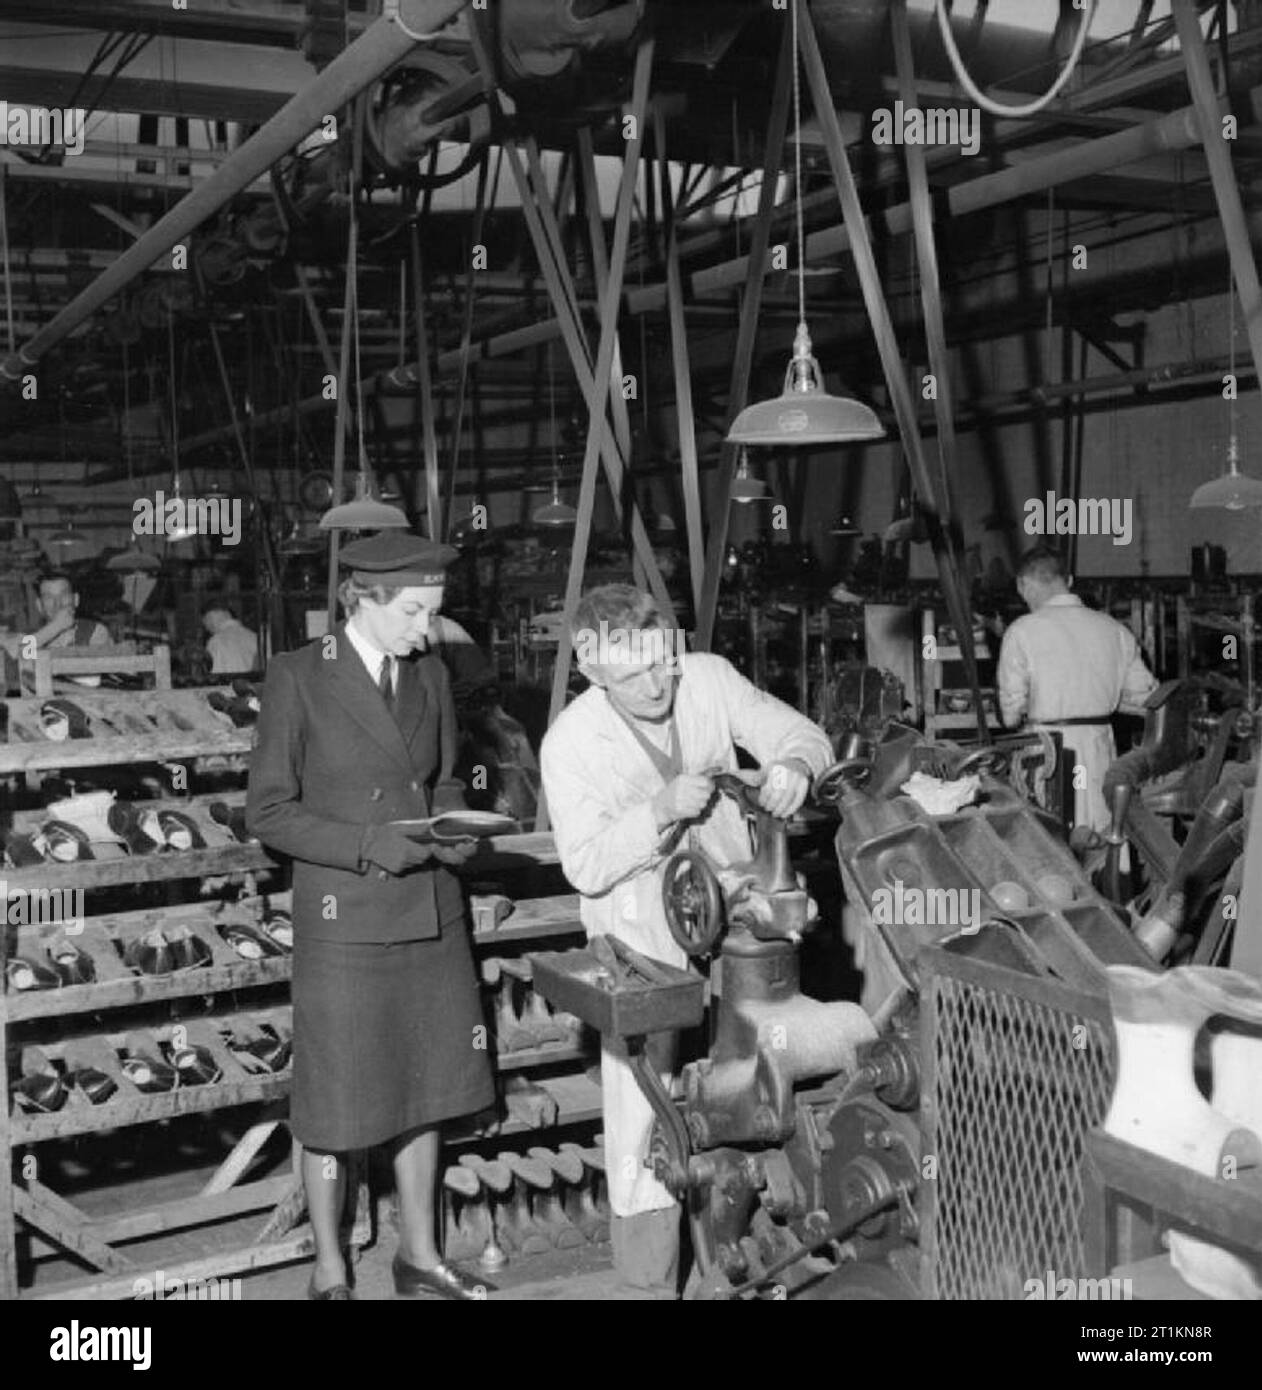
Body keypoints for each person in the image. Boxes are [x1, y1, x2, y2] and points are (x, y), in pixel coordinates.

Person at [538, 583, 834, 1297]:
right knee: (649, 1117)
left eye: (662, 662)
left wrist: (794, 766)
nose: (658, 682)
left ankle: (745, 1261)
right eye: (634, 672)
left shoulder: (706, 678)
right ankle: (651, 1281)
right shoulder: (570, 742)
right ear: (591, 666)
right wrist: (657, 813)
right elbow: (585, 863)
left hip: (736, 930)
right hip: (641, 945)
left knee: (755, 1085)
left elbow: (806, 736)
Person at [245, 531, 495, 1301]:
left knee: (429, 1092)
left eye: (435, 611)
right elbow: (270, 812)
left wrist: (455, 831)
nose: (429, 628)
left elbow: (445, 780)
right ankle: (330, 1270)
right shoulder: (299, 677)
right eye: (417, 611)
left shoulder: (430, 674)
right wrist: (368, 845)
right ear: (366, 599)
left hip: (429, 913)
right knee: (335, 1105)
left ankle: (419, 1258)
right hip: (345, 919)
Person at [996, 546, 1157, 835]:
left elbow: (1010, 714)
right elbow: (1147, 699)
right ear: (1068, 581)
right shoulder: (1114, 629)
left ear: (1023, 584)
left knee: (1052, 842)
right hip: (1099, 750)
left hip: (1046, 755)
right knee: (1103, 830)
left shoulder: (1021, 631)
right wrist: (1096, 697)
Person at [0, 572, 111, 692]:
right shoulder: (31, 636)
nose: (57, 604)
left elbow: (97, 680)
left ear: (75, 600)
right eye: (48, 597)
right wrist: (57, 626)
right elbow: (18, 652)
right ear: (39, 606)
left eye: (63, 595)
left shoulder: (95, 631)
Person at [202, 603, 259, 675]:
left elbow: (216, 677)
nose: (207, 627)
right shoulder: (255, 637)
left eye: (207, 619)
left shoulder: (216, 641)